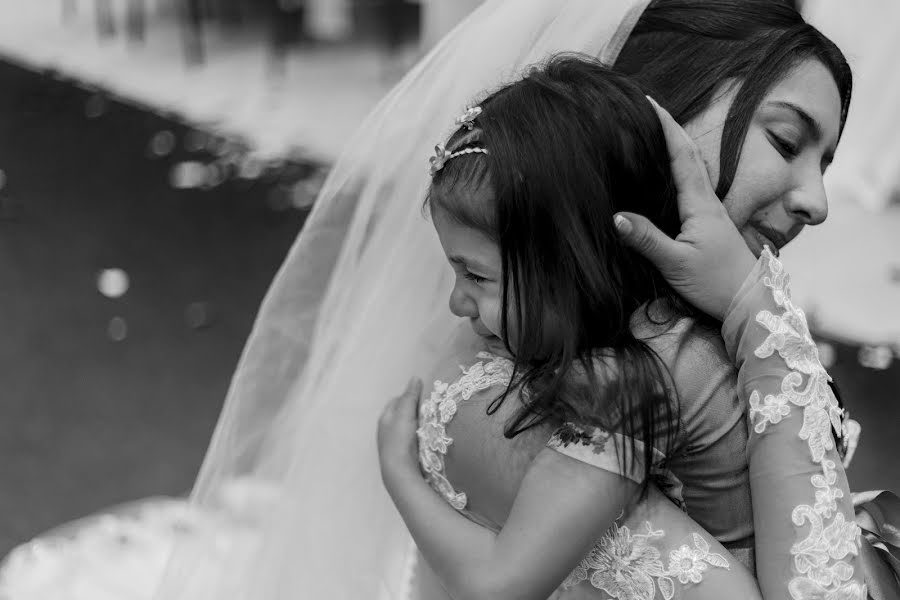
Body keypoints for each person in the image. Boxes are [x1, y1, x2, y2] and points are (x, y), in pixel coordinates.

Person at [0, 1, 890, 599]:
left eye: (826, 164)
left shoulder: (692, 314)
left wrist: (749, 313)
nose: (814, 199)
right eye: (786, 140)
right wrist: (758, 322)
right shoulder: (503, 406)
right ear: (658, 107)